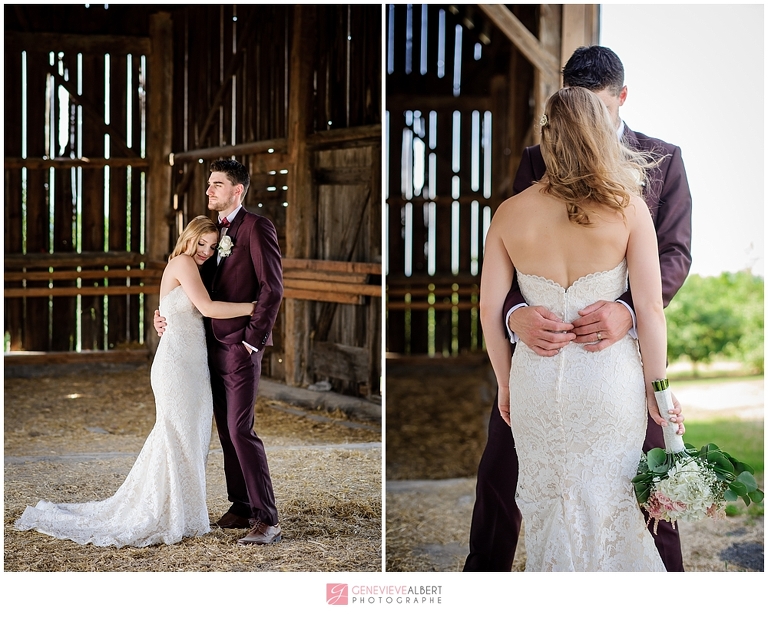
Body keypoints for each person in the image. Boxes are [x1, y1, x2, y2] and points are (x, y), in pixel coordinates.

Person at [465, 46, 692, 572]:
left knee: (559, 507)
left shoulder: (509, 214)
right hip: (601, 377)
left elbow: (675, 255)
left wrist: (626, 310)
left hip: (545, 375)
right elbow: (503, 305)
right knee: (585, 493)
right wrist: (517, 315)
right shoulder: (626, 205)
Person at [15, 216, 257, 547]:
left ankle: (181, 512)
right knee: (177, 437)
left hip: (191, 364)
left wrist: (163, 319)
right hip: (178, 367)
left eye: (212, 246)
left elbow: (173, 311)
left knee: (189, 438)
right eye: (201, 242)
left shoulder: (194, 269)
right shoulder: (184, 263)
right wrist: (254, 307)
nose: (205, 250)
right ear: (187, 239)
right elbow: (207, 307)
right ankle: (165, 512)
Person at [154, 159, 284, 546]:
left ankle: (267, 518)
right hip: (202, 349)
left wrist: (252, 339)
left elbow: (271, 289)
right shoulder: (211, 235)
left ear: (237, 191)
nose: (209, 190)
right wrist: (164, 317)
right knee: (226, 433)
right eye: (209, 185)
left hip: (240, 346)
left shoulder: (256, 227)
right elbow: (191, 289)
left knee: (240, 430)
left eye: (217, 184)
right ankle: (242, 504)